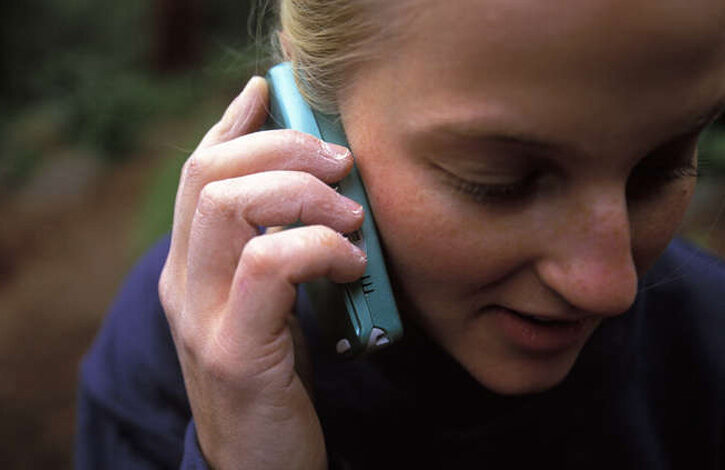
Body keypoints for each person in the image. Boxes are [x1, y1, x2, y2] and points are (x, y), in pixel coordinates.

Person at [76, 0, 725, 468]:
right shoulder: (166, 367)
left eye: (657, 171)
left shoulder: (708, 337)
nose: (608, 289)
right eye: (498, 180)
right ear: (311, 109)